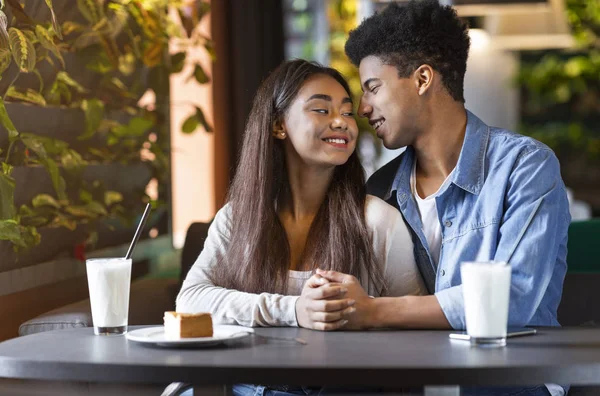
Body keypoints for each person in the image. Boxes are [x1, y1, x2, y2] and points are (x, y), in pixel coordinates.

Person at [313, 1, 570, 395]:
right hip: (413, 380)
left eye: (373, 87)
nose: (363, 109)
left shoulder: (526, 167)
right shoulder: (380, 190)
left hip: (511, 379)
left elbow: (510, 300)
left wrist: (373, 311)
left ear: (422, 79)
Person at [176, 59, 425, 396]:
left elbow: (416, 332)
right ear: (279, 125)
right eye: (321, 110)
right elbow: (190, 300)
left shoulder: (378, 221)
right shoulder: (238, 218)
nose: (341, 122)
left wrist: (364, 313)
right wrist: (293, 310)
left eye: (347, 112)